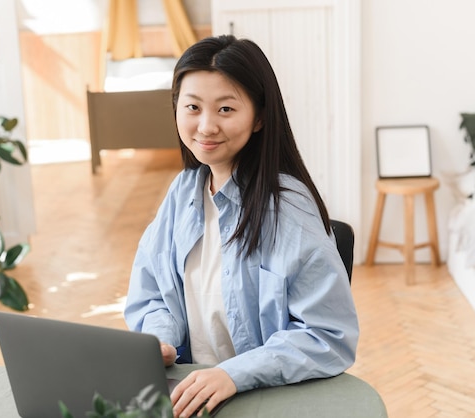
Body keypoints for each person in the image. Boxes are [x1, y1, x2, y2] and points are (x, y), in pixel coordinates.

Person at [124, 34, 358, 418]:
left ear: (260, 116)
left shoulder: (287, 207)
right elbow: (150, 293)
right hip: (192, 395)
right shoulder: (183, 191)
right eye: (193, 107)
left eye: (226, 109)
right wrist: (161, 339)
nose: (206, 125)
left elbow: (328, 335)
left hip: (262, 396)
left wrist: (233, 374)